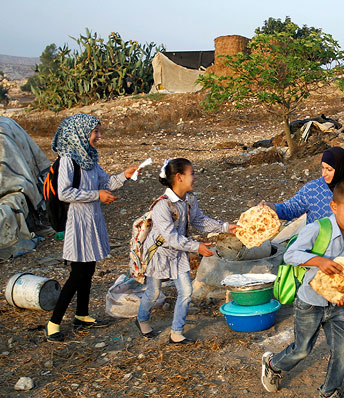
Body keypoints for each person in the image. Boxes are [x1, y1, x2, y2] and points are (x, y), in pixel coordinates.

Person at [261, 179, 344, 398]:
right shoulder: (318, 229)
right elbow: (290, 255)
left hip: (336, 304)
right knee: (302, 349)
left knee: (342, 349)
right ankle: (273, 364)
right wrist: (319, 261)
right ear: (333, 206)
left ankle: (328, 394)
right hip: (310, 302)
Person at [45, 114, 137, 342]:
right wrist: (96, 195)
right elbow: (64, 192)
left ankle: (82, 314)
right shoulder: (68, 160)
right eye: (95, 132)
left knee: (88, 270)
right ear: (79, 133)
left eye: (98, 131)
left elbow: (106, 183)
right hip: (76, 222)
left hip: (92, 220)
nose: (99, 136)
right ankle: (53, 323)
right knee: (77, 274)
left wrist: (125, 175)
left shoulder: (90, 158)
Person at [135, 158, 237, 344]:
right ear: (179, 177)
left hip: (178, 251)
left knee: (186, 291)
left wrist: (225, 227)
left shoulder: (189, 200)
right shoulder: (162, 206)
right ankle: (141, 319)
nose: (195, 177)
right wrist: (196, 247)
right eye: (192, 174)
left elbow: (199, 221)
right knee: (154, 292)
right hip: (159, 254)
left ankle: (176, 332)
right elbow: (171, 237)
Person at [264, 146, 344, 226]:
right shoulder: (312, 190)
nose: (324, 173)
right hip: (317, 252)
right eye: (322, 168)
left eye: (329, 169)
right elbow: (289, 209)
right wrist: (271, 207)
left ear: (341, 169)